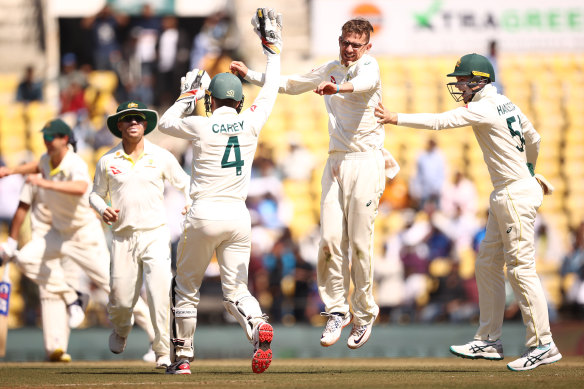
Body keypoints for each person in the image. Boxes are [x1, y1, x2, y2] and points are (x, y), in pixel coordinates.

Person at [375, 53, 562, 371]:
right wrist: (529, 169)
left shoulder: (485, 107)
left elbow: (439, 122)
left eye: (462, 81)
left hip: (514, 196)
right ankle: (489, 340)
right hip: (507, 193)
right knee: (488, 263)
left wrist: (395, 118)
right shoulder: (506, 103)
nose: (459, 86)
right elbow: (534, 138)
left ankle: (542, 344)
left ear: (479, 80)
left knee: (519, 269)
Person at [231, 17, 398, 349]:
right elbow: (291, 84)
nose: (349, 50)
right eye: (345, 43)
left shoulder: (370, 67)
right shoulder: (330, 67)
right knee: (329, 241)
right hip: (336, 160)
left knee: (361, 246)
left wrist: (337, 88)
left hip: (366, 161)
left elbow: (362, 85)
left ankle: (364, 314)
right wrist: (251, 76)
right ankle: (337, 310)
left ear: (367, 46)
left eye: (355, 45)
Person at [158, 8, 282, 375]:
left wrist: (188, 94)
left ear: (210, 101)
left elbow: (165, 123)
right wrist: (272, 53)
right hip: (238, 218)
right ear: (240, 101)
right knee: (236, 291)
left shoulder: (202, 125)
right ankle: (258, 324)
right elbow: (272, 88)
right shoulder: (252, 120)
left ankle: (182, 359)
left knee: (185, 290)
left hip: (202, 214)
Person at [0, 119, 157, 362]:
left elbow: (81, 186)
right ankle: (73, 296)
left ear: (64, 140)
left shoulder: (74, 163)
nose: (46, 141)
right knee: (24, 259)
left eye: (51, 137)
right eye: (45, 137)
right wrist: (11, 171)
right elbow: (36, 166)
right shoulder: (45, 161)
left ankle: (156, 339)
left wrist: (43, 182)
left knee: (117, 290)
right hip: (59, 235)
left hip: (85, 235)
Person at [90, 100, 191, 369]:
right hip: (123, 238)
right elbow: (95, 194)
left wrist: (190, 201)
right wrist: (103, 209)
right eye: (128, 119)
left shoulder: (161, 156)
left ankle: (162, 351)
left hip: (155, 235)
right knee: (122, 300)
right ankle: (122, 328)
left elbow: (185, 183)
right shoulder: (107, 160)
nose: (134, 122)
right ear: (120, 125)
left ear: (145, 125)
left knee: (159, 293)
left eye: (138, 119)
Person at [0, 180, 82, 362]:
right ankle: (54, 347)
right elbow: (23, 217)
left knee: (68, 291)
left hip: (70, 245)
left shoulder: (74, 179)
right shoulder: (34, 185)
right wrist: (14, 246)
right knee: (49, 293)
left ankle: (60, 345)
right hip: (42, 249)